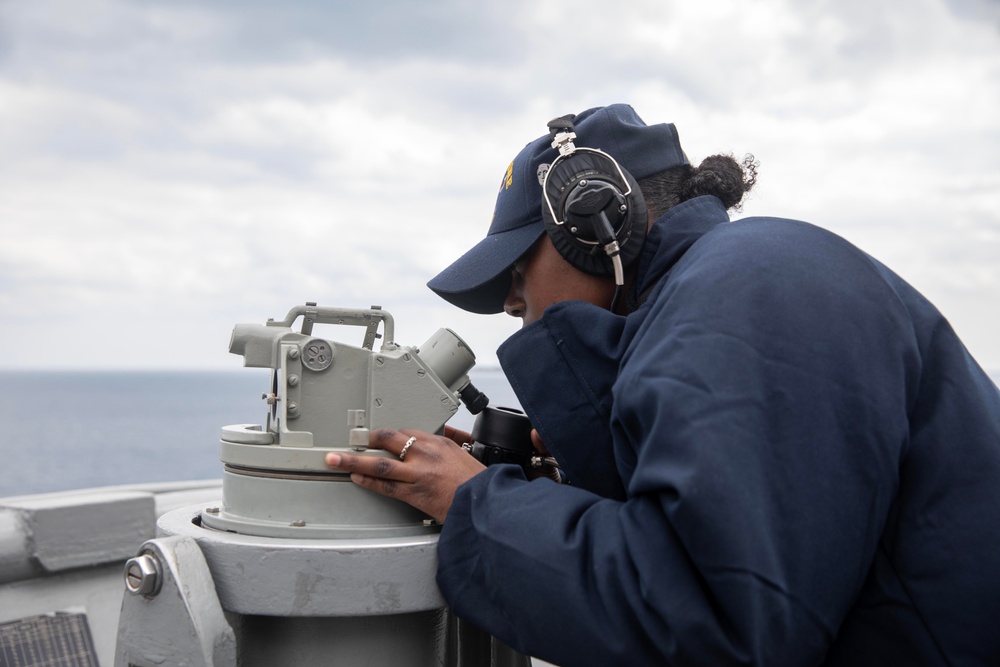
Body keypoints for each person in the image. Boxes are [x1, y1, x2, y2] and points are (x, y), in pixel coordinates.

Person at [326, 104, 1000, 665]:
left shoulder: (746, 295)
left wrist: (478, 503)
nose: (510, 300)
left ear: (594, 222)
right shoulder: (725, 291)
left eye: (514, 267)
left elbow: (725, 622)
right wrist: (563, 490)